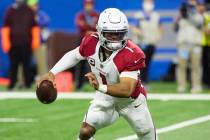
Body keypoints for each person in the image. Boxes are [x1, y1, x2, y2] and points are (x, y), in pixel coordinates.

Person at [37, 8, 156, 140]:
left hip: (131, 102)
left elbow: (126, 89)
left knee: (146, 135)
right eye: (111, 34)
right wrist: (52, 72)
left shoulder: (133, 53)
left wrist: (100, 87)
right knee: (85, 132)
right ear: (100, 32)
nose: (116, 38)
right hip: (105, 97)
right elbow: (74, 55)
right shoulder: (91, 41)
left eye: (119, 34)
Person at [1, 0, 40, 90]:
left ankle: (28, 84)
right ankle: (11, 84)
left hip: (26, 43)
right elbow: (6, 27)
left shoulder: (29, 11)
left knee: (27, 65)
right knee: (13, 65)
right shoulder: (10, 10)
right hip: (13, 44)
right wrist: (6, 42)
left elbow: (34, 26)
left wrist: (35, 41)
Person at [131, 0, 163, 86]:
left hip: (151, 43)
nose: (149, 3)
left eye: (151, 2)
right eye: (147, 1)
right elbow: (134, 28)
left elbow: (160, 28)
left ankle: (145, 82)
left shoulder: (156, 15)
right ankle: (139, 82)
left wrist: (157, 37)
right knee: (140, 64)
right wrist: (140, 34)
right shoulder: (138, 15)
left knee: (147, 64)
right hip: (141, 44)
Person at [174, 0, 203, 93]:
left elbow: (199, 25)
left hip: (195, 45)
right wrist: (178, 19)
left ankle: (196, 86)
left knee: (196, 66)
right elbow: (175, 28)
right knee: (182, 66)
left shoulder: (198, 16)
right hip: (184, 45)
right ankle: (181, 86)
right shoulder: (181, 17)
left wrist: (189, 15)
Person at [75, 0, 99, 89]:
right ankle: (79, 85)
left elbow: (98, 27)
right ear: (84, 5)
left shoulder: (97, 15)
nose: (89, 6)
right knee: (80, 63)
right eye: (87, 4)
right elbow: (80, 26)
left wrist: (90, 30)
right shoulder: (80, 15)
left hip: (95, 43)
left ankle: (96, 85)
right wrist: (91, 29)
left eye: (90, 4)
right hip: (82, 42)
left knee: (96, 64)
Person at [201, 3, 210, 89]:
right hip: (204, 43)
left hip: (207, 43)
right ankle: (205, 83)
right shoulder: (204, 16)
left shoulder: (206, 16)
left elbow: (207, 31)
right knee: (205, 64)